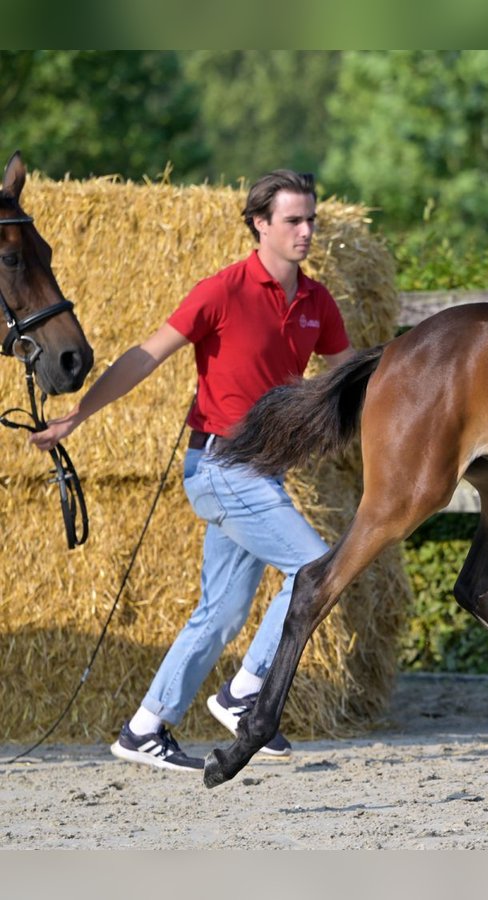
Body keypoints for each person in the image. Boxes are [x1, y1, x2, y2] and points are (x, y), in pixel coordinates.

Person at [31, 170, 354, 771]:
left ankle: (144, 726)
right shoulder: (222, 291)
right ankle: (246, 692)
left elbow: (354, 378)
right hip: (221, 465)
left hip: (264, 471)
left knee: (221, 613)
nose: (306, 230)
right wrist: (77, 416)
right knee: (316, 569)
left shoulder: (318, 302)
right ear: (260, 224)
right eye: (293, 220)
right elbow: (144, 357)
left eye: (311, 219)